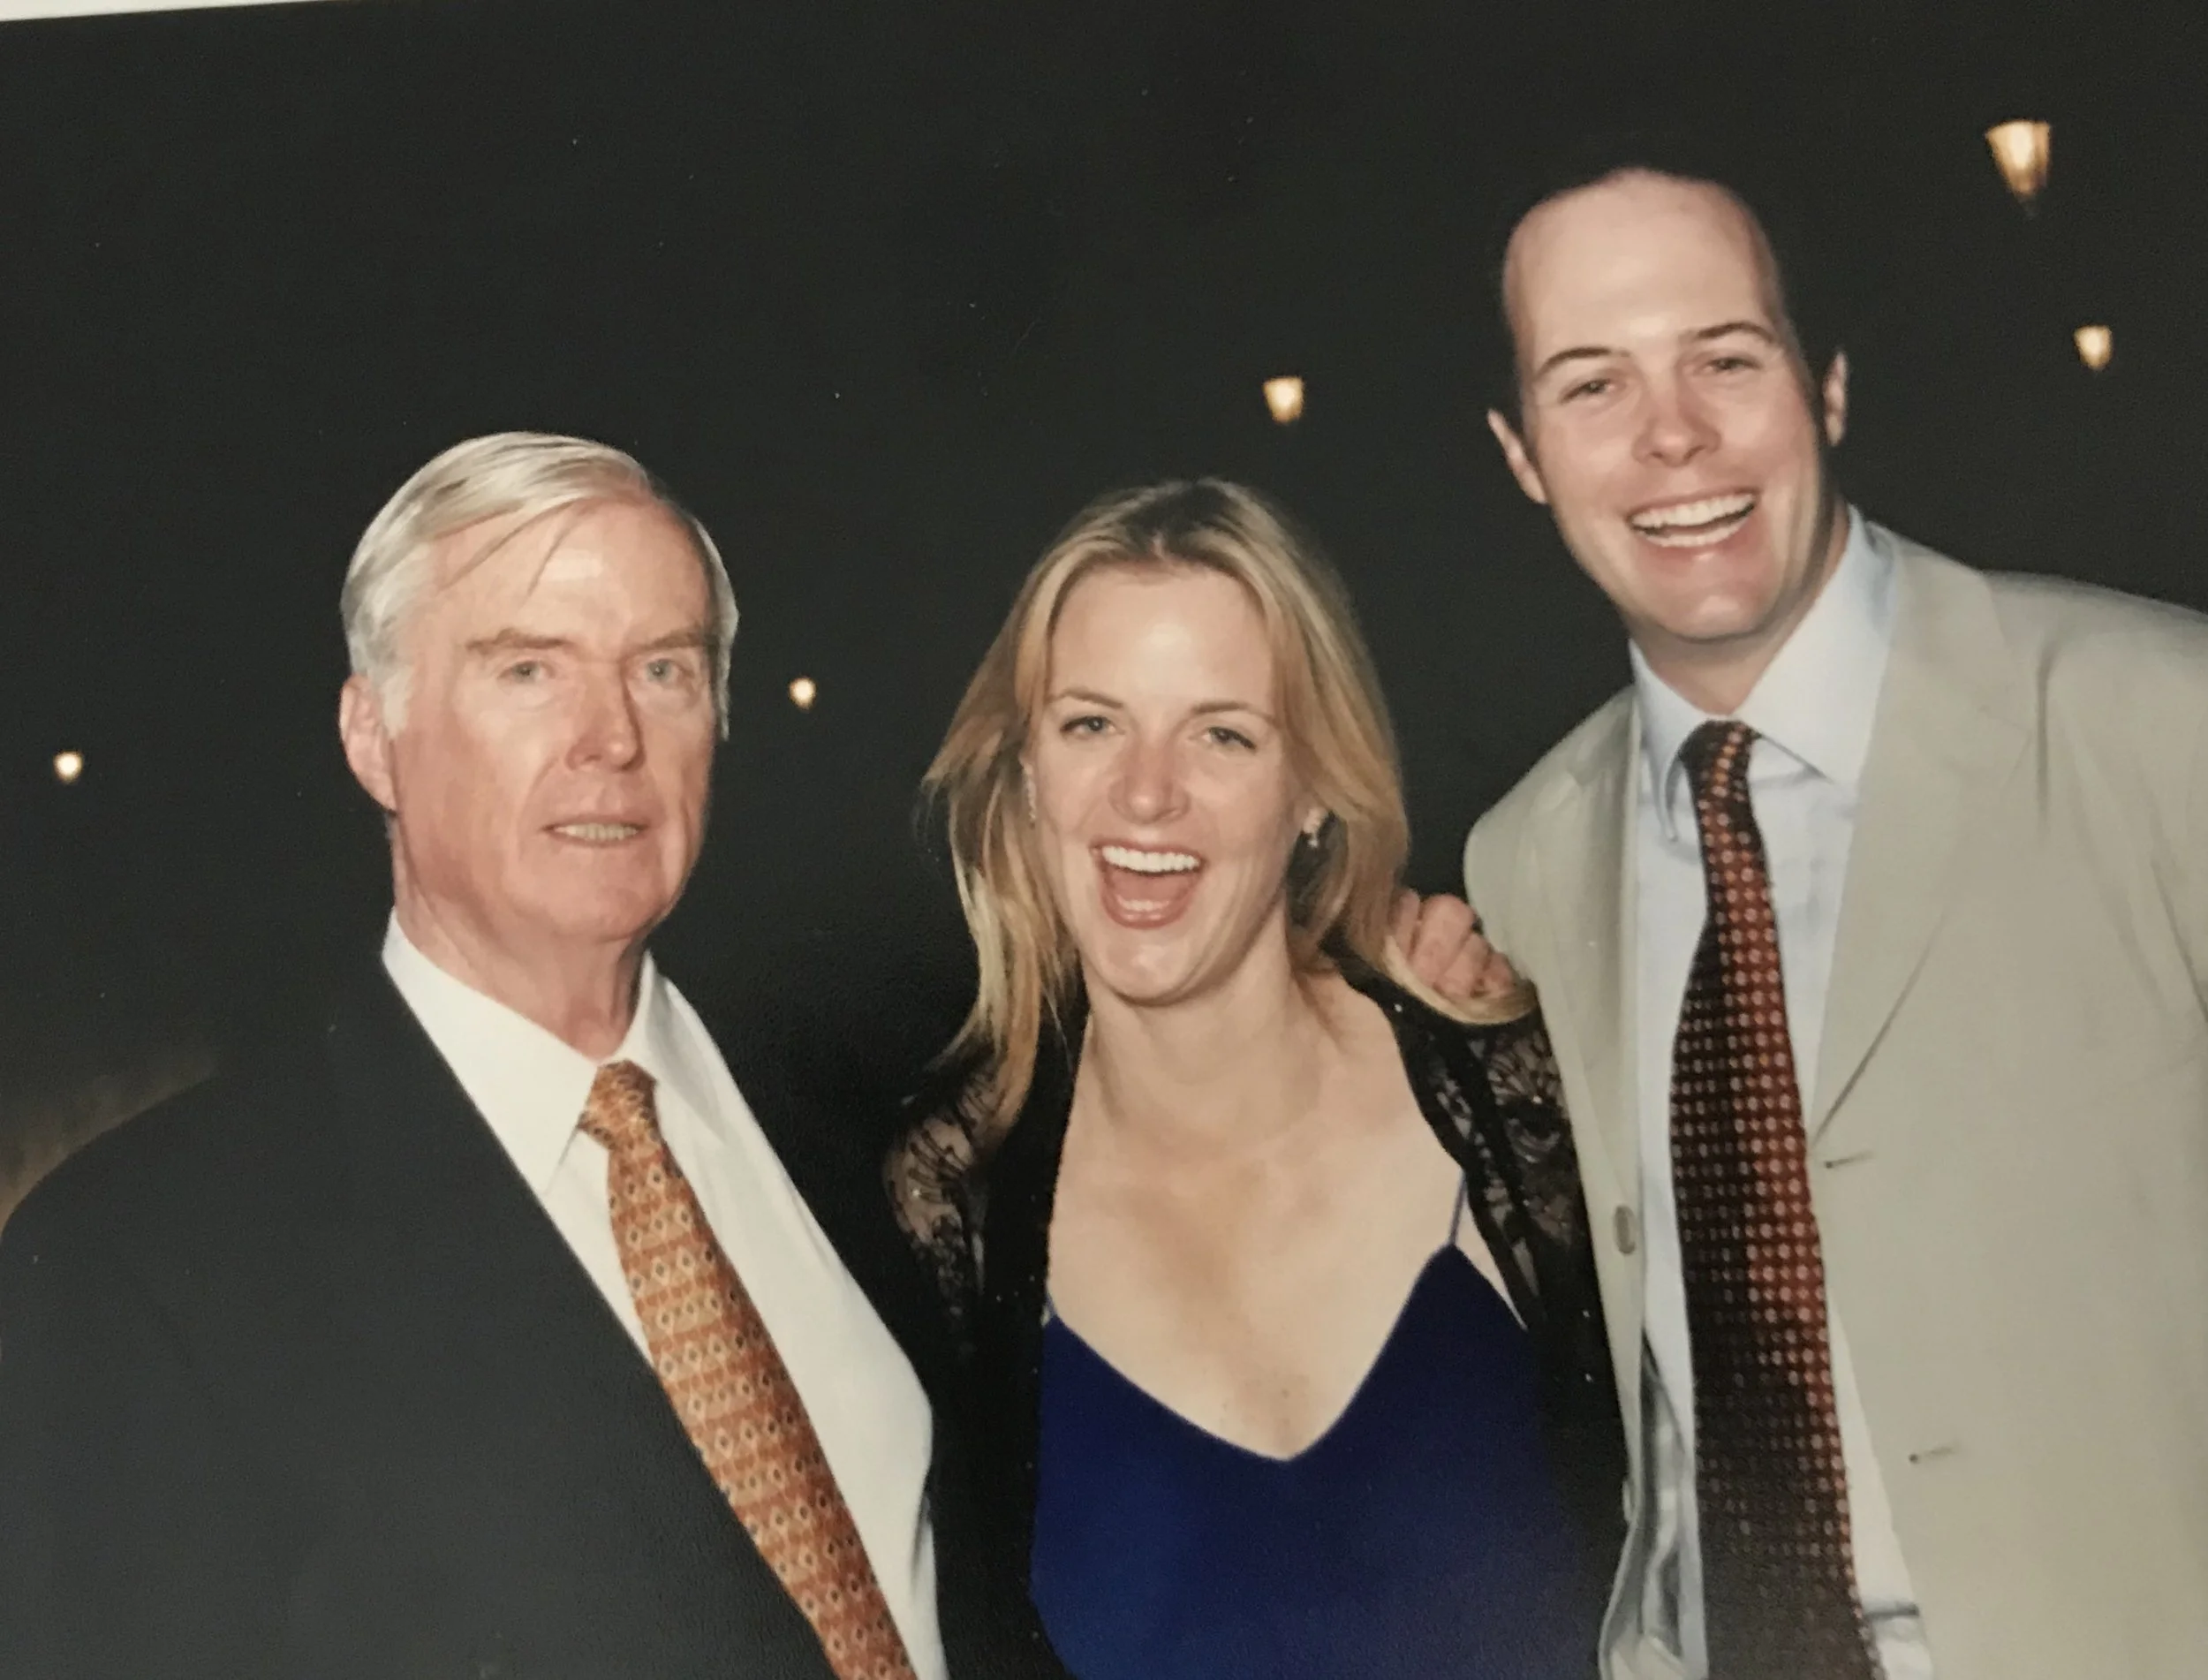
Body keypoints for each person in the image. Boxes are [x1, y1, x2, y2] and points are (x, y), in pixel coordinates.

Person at [0, 433, 973, 1680]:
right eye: (528, 669)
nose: (611, 737)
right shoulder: (138, 1264)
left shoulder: (873, 1133)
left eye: (663, 669)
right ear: (373, 735)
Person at [1461, 140, 2208, 1680]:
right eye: (1592, 384)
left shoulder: (2157, 725)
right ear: (1522, 453)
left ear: (1830, 386)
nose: (1673, 433)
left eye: (1726, 357)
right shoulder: (1525, 857)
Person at [888, 478, 1626, 1680]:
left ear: (1317, 786)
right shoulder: (948, 1214)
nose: (1145, 793)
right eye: (1092, 725)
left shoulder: (1514, 1099)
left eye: (1222, 734)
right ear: (1025, 771)